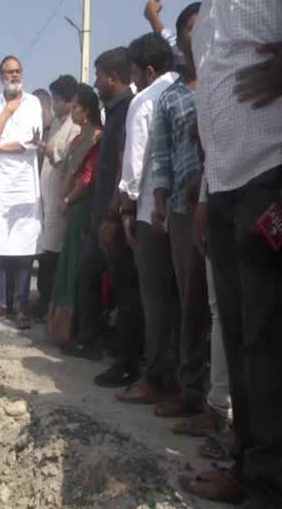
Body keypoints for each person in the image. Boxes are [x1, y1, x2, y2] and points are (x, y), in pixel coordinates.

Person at [180, 0, 282, 506]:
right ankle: (249, 466)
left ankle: (269, 483)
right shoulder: (207, 21)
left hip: (271, 170)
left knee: (267, 338)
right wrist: (204, 196)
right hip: (223, 185)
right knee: (241, 336)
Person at [145, 3, 211, 424]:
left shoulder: (223, 80)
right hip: (185, 211)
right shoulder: (171, 95)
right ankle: (191, 392)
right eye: (188, 29)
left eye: (200, 27)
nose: (194, 36)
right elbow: (163, 155)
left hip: (223, 194)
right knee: (192, 301)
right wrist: (162, 199)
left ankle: (219, 401)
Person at [61, 48, 141, 390]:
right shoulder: (116, 113)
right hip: (103, 216)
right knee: (89, 273)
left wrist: (112, 213)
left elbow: (125, 168)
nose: (96, 83)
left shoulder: (129, 112)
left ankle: (127, 362)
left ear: (112, 77)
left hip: (116, 215)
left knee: (126, 290)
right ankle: (93, 339)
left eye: (98, 76)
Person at [114, 33, 179, 404]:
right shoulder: (186, 90)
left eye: (136, 71)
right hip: (181, 209)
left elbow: (134, 166)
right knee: (183, 299)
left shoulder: (146, 100)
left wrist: (125, 209)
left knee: (154, 299)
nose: (134, 78)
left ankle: (154, 377)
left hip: (149, 212)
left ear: (148, 70)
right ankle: (181, 378)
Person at [0, 55, 43, 329]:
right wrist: (7, 110)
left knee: (24, 248)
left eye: (17, 71)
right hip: (1, 187)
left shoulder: (34, 103)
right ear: (1, 76)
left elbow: (31, 142)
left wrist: (0, 146)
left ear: (22, 73)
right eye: (8, 72)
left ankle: (20, 307)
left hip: (25, 186)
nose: (13, 75)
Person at [45, 85, 102, 343]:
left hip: (82, 210)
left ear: (86, 111)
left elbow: (87, 178)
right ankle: (63, 331)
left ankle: (79, 331)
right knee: (67, 267)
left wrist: (68, 199)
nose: (73, 112)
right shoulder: (79, 138)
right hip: (71, 210)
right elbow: (65, 166)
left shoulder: (95, 138)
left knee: (78, 270)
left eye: (76, 107)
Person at [35, 75, 81, 322]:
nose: (53, 105)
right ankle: (44, 302)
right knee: (47, 250)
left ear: (69, 100)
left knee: (53, 255)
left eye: (57, 100)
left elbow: (66, 161)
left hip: (61, 198)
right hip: (48, 196)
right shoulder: (56, 124)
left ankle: (49, 304)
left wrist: (46, 149)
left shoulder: (75, 126)